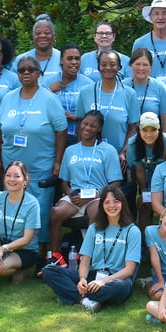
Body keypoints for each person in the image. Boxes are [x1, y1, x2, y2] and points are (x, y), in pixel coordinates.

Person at [0, 56, 67, 260]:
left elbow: (61, 131)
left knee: (41, 211)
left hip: (40, 167)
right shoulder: (8, 98)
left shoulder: (49, 98)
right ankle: (13, 249)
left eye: (31, 69)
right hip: (12, 169)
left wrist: (58, 161)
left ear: (39, 73)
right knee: (13, 208)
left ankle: (40, 253)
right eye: (21, 70)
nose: (26, 73)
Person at [44, 183, 141, 313]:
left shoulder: (133, 231)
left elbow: (129, 270)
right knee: (49, 270)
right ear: (102, 206)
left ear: (123, 204)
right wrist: (83, 279)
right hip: (93, 275)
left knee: (121, 288)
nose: (111, 206)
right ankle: (84, 300)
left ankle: (70, 295)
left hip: (115, 278)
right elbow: (85, 261)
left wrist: (103, 282)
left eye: (116, 202)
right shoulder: (94, 228)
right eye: (107, 202)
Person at [49, 111, 123, 266]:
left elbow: (115, 182)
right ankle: (55, 257)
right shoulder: (70, 150)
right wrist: (70, 194)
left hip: (97, 196)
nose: (87, 128)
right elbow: (64, 180)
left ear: (99, 129)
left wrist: (95, 195)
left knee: (96, 213)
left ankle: (86, 257)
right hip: (75, 195)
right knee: (55, 212)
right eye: (85, 124)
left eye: (92, 125)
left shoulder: (107, 150)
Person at [0, 161, 40, 292]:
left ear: (25, 180)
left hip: (25, 249)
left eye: (17, 176)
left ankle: (17, 269)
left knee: (0, 268)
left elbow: (27, 239)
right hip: (4, 241)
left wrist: (2, 249)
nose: (12, 179)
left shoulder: (32, 204)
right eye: (8, 175)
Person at [78, 50, 136, 153]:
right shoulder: (86, 92)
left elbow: (133, 129)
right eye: (104, 64)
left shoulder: (129, 94)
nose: (108, 68)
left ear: (119, 67)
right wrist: (82, 152)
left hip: (119, 156)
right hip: (92, 154)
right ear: (98, 67)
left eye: (112, 64)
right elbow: (80, 124)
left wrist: (124, 152)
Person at [127, 112, 166, 226]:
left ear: (159, 130)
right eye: (145, 130)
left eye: (153, 130)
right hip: (145, 182)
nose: (149, 134)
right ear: (139, 130)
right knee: (144, 202)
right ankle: (145, 240)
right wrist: (144, 192)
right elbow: (139, 171)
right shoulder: (133, 144)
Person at [42, 44, 87, 141]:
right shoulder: (48, 82)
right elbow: (38, 106)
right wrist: (49, 90)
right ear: (61, 60)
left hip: (80, 136)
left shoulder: (89, 84)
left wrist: (78, 116)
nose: (74, 62)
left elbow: (94, 112)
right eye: (69, 59)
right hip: (52, 136)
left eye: (77, 59)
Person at [126, 47, 166, 136]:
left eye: (145, 65)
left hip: (152, 138)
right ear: (131, 65)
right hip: (126, 139)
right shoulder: (122, 86)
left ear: (151, 67)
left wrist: (165, 144)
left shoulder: (160, 87)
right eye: (137, 64)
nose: (141, 68)